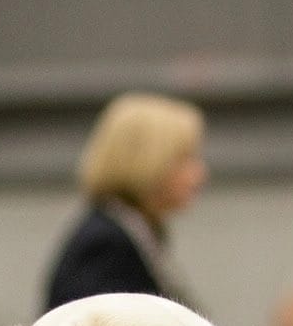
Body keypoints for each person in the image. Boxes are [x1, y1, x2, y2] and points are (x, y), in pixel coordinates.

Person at [44, 92, 206, 310]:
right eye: (184, 159)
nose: (199, 174)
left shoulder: (130, 231)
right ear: (148, 161)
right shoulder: (106, 247)